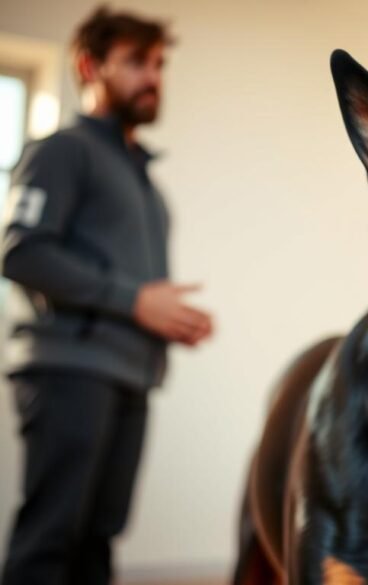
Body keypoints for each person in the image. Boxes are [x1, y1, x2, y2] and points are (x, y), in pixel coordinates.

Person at [0, 6, 213, 584]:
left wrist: (169, 319)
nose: (153, 78)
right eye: (137, 63)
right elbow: (21, 252)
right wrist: (138, 301)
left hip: (128, 377)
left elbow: (127, 288)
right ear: (89, 66)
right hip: (69, 371)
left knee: (96, 545)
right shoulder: (63, 151)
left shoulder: (144, 181)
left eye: (160, 65)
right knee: (50, 542)